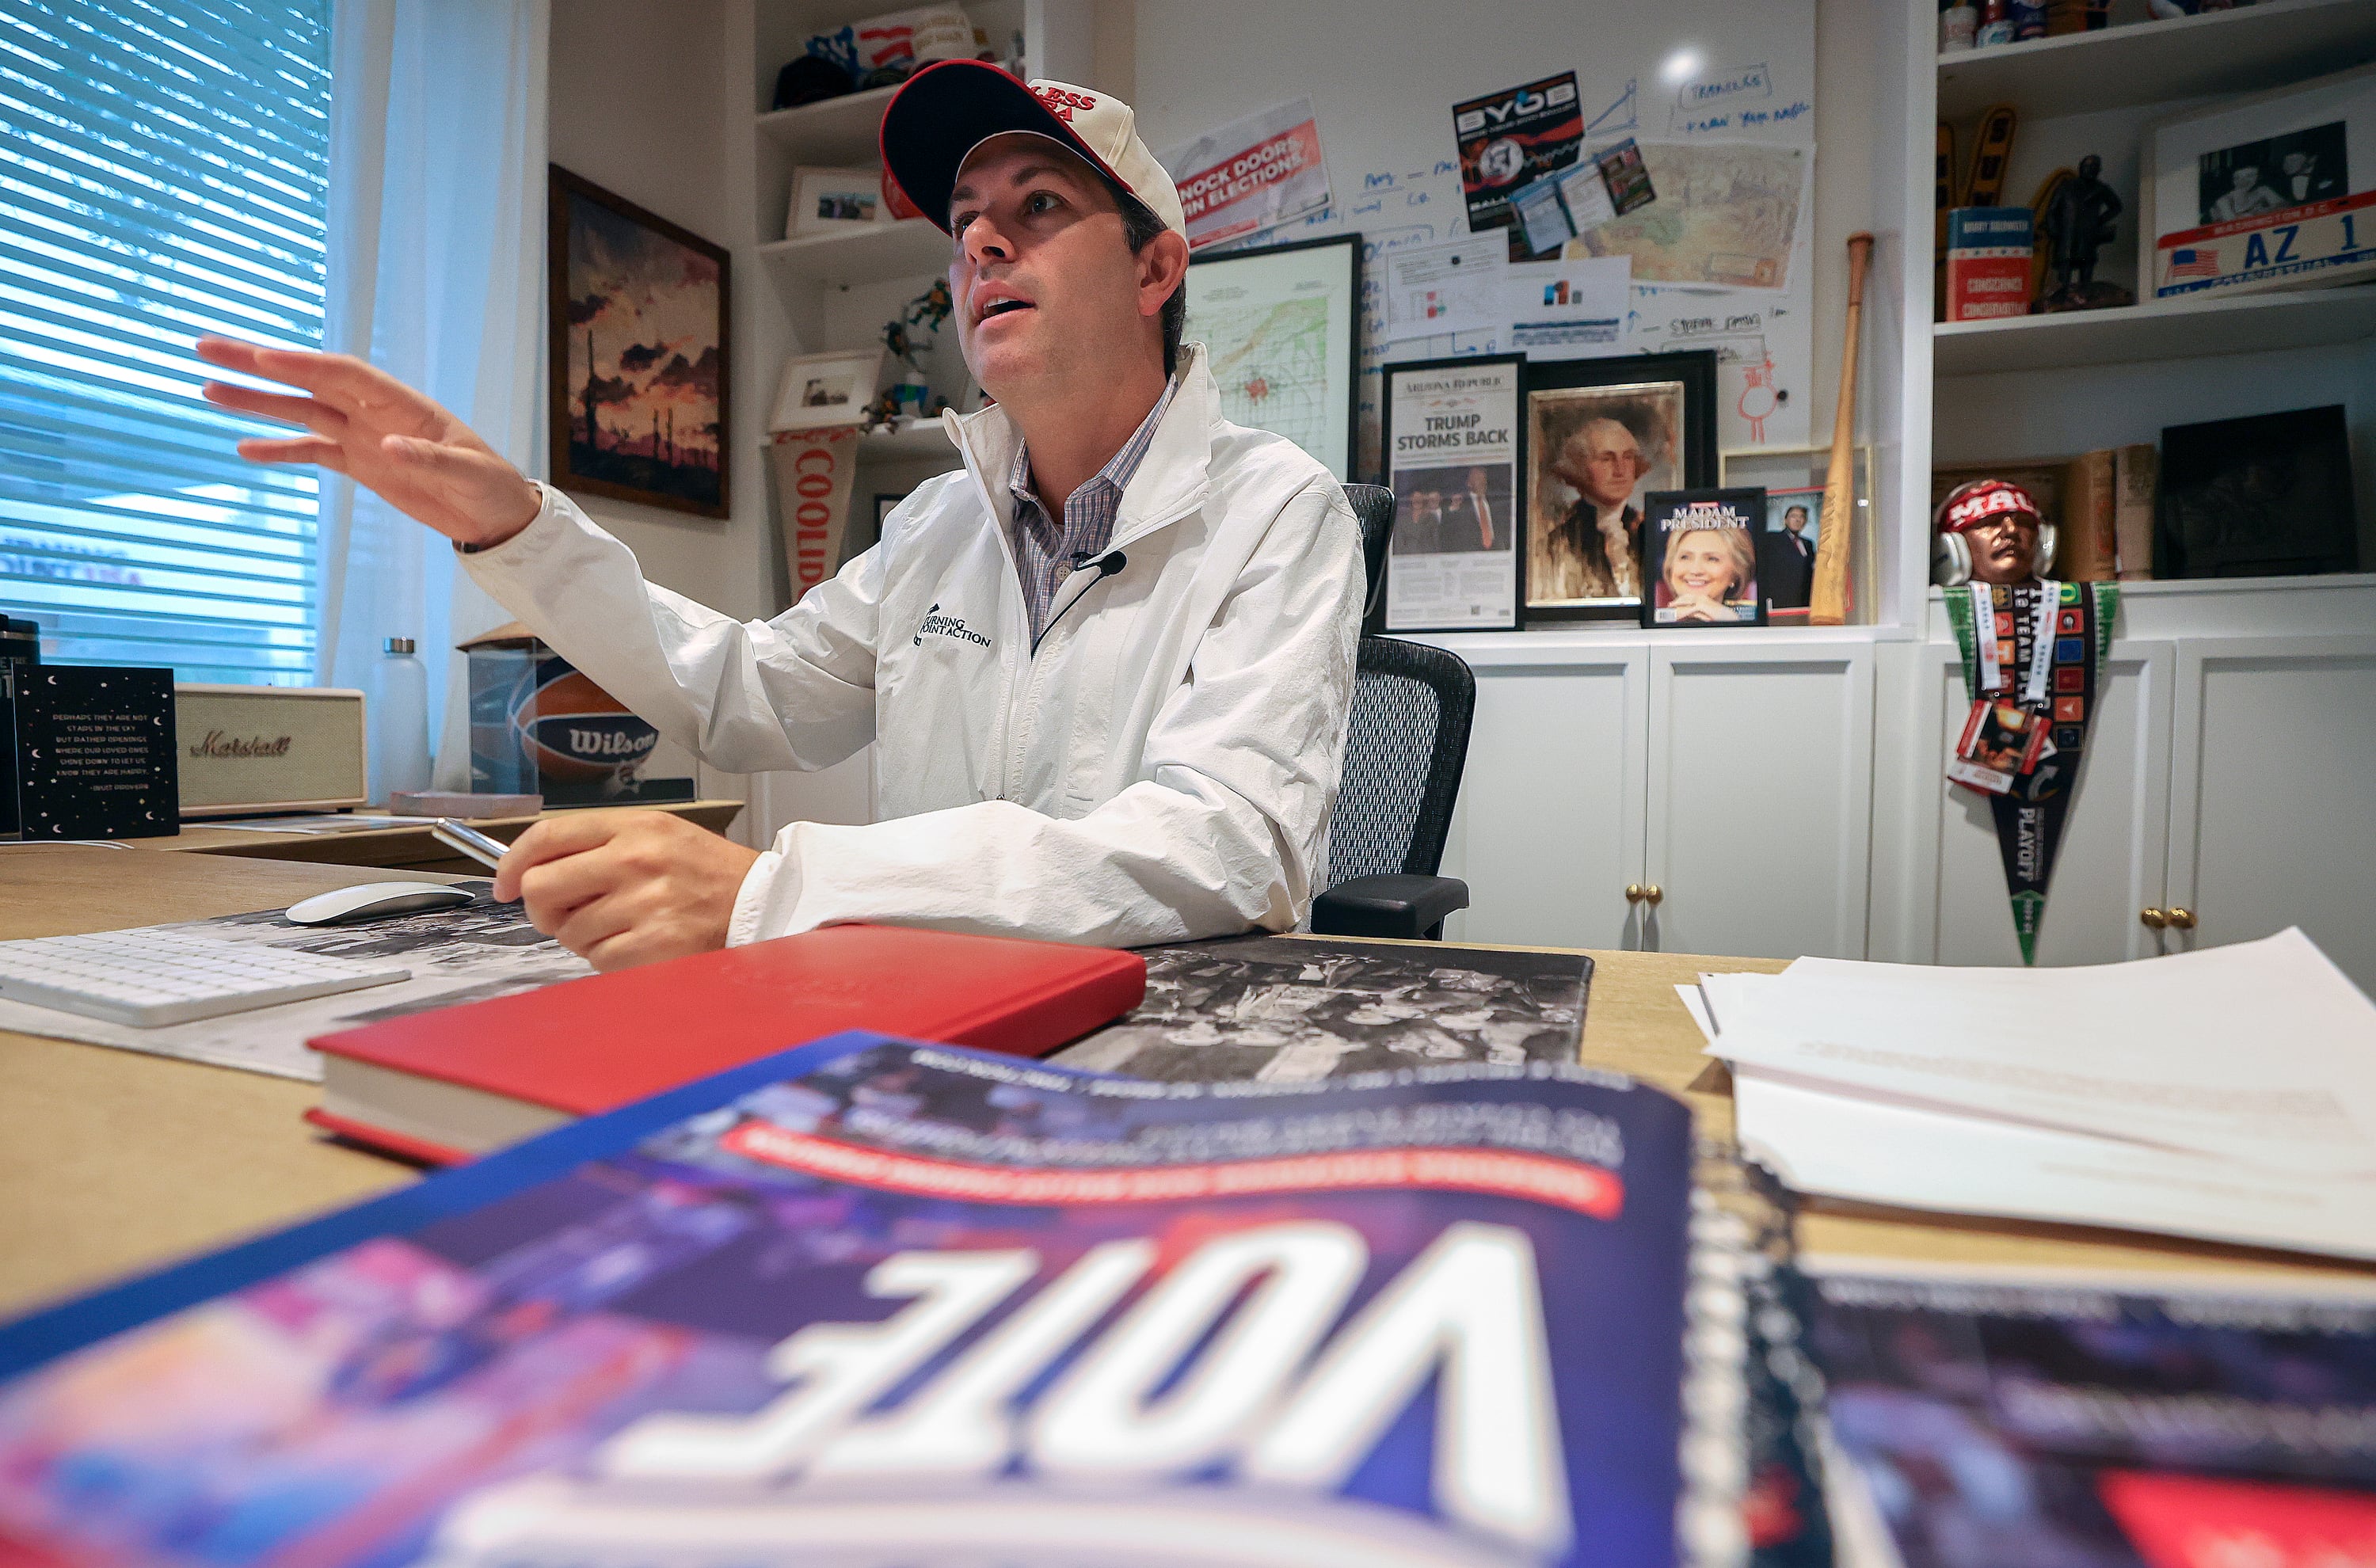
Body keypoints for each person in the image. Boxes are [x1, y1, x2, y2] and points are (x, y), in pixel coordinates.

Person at [196, 67, 1362, 969]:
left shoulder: (1279, 513)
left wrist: (774, 890)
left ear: (1156, 270)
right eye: (962, 222)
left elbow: (1228, 849)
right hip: (930, 1006)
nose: (980, 243)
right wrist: (518, 529)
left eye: (1038, 205)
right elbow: (747, 697)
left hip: (1180, 1025)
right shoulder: (936, 527)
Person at [1531, 412, 1655, 599]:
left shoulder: (1651, 531)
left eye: (1628, 457)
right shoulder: (1557, 542)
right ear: (1579, 466)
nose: (1620, 470)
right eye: (1606, 459)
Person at [1655, 525, 1757, 622]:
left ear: (1735, 574)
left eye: (1712, 559)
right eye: (1685, 557)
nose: (1695, 570)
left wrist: (1731, 622)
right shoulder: (1651, 620)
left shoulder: (1753, 621)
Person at [1758, 503, 1815, 609]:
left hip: (1804, 600)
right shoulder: (1773, 538)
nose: (1798, 519)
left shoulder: (1808, 543)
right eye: (1793, 516)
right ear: (1785, 520)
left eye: (1801, 517)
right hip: (1781, 600)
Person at [2207, 164, 2283, 223]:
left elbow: (2284, 208)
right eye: (2237, 177)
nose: (2243, 181)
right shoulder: (2224, 200)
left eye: (2250, 176)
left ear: (2259, 177)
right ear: (2232, 180)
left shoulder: (2263, 190)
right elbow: (2233, 225)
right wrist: (2264, 211)